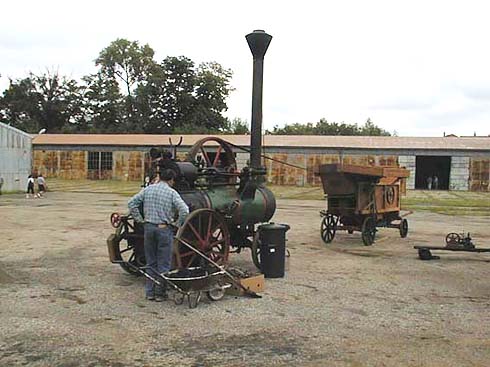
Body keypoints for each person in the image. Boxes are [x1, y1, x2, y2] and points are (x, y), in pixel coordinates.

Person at [128, 169, 189, 302]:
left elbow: (131, 203)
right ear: (171, 180)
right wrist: (177, 224)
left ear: (160, 177)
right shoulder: (171, 192)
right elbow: (185, 210)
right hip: (163, 229)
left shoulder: (148, 189)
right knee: (164, 263)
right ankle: (160, 293)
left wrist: (140, 220)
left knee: (151, 262)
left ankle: (149, 293)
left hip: (148, 228)